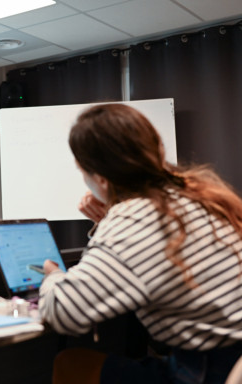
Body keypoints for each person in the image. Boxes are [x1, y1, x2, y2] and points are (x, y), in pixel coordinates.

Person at [38, 103, 242, 383]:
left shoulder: (134, 219)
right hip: (233, 361)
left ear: (99, 177)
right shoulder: (201, 197)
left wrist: (53, 277)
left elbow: (64, 313)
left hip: (209, 371)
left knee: (71, 363)